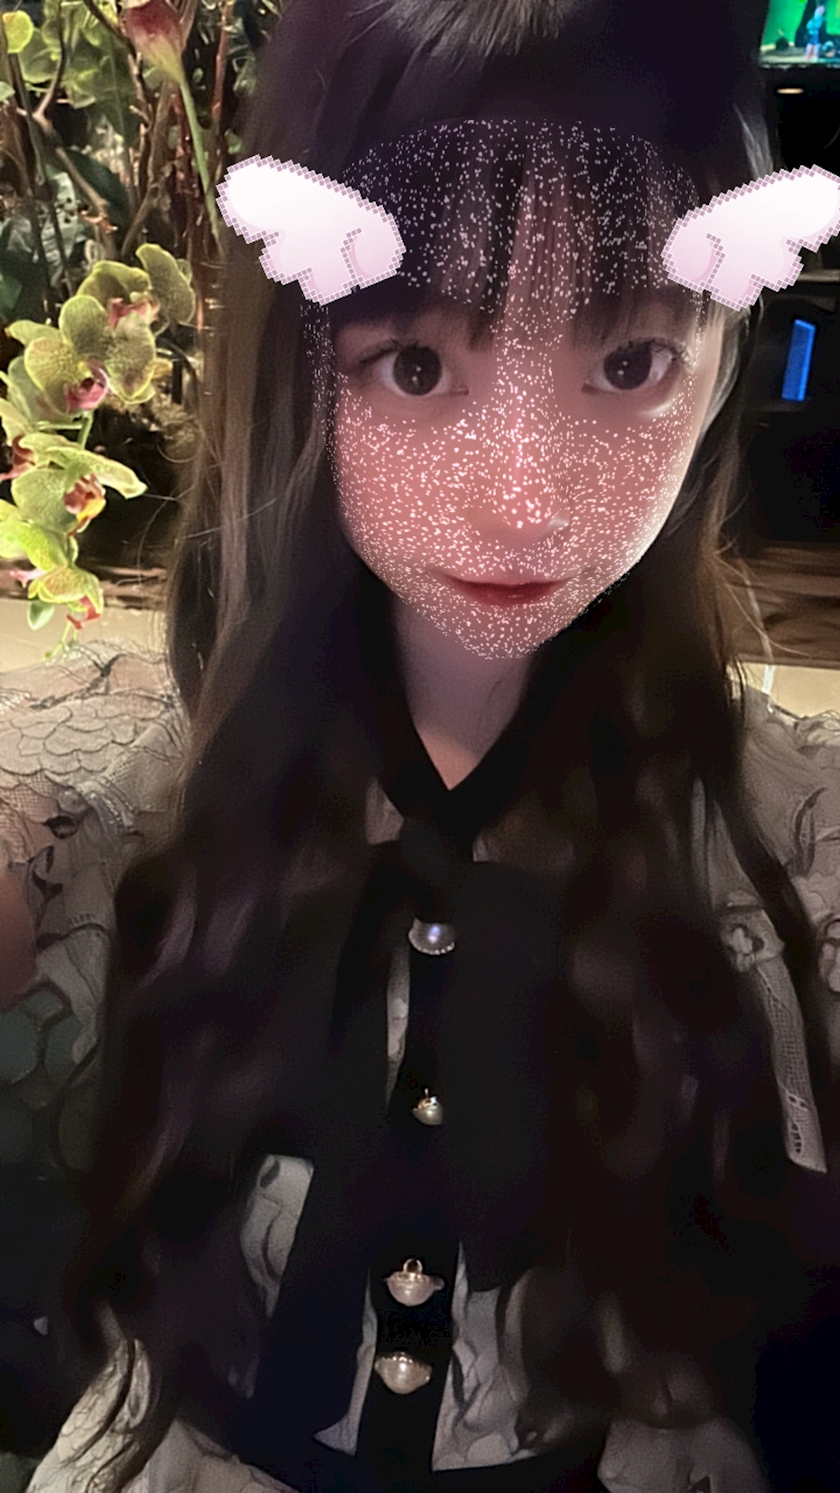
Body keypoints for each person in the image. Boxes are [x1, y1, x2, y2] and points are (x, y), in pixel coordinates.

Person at [2, 0, 840, 1489]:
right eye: (414, 364)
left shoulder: (774, 811)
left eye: (630, 363)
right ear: (302, 355)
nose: (522, 498)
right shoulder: (168, 757)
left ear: (725, 357)